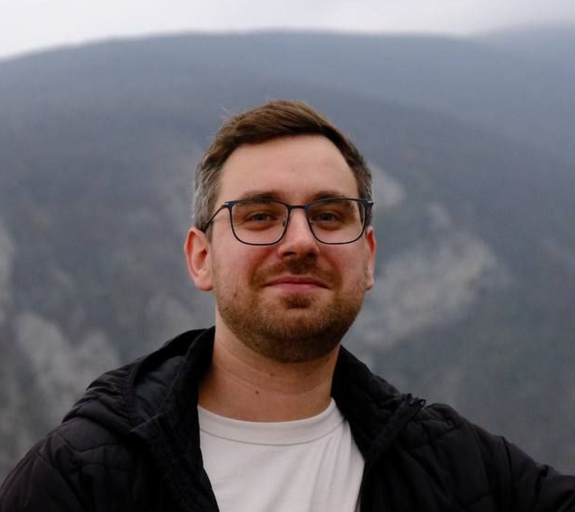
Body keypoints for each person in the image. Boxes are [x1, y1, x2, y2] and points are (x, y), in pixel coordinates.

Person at [0, 100, 573, 511]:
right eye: (259, 216)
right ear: (201, 258)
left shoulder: (455, 465)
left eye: (329, 215)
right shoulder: (79, 480)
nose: (300, 241)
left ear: (368, 257)